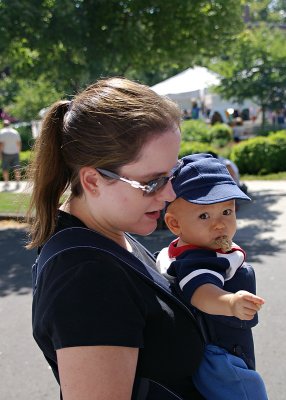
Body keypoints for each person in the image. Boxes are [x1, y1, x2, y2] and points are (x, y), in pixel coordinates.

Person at [26, 77, 205, 400]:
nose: (170, 193)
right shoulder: (86, 277)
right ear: (93, 181)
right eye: (152, 182)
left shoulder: (107, 235)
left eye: (171, 174)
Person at [156, 154, 267, 398]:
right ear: (175, 224)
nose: (220, 225)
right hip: (218, 354)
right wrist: (230, 302)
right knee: (249, 390)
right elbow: (200, 292)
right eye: (204, 216)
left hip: (221, 346)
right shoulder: (197, 260)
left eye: (227, 211)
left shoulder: (196, 246)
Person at [0, 119, 21, 189]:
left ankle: (6, 183)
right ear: (9, 125)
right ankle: (18, 183)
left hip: (6, 153)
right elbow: (18, 143)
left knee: (5, 169)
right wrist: (18, 152)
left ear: (3, 125)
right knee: (17, 168)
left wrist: (0, 155)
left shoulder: (2, 132)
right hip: (15, 153)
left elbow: (1, 145)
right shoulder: (15, 132)